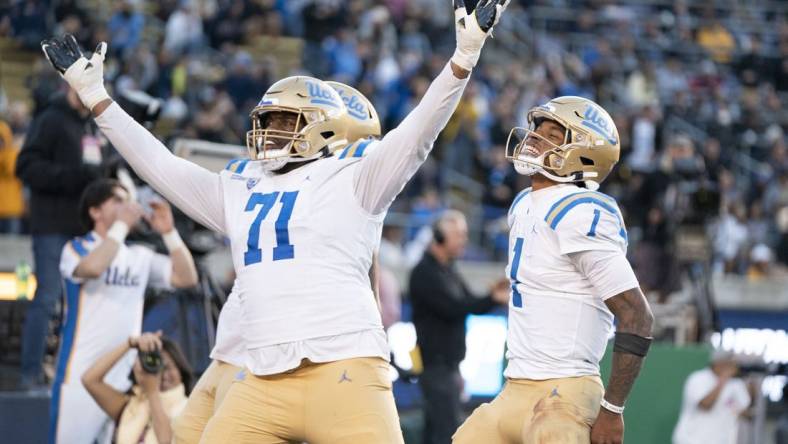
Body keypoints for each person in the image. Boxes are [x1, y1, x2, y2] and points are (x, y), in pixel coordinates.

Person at [40, 1, 509, 441]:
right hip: (263, 376)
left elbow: (419, 132)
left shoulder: (356, 176)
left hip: (345, 369)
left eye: (284, 122)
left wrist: (462, 59)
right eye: (267, 120)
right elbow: (160, 166)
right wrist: (98, 99)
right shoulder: (242, 185)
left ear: (321, 126)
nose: (268, 132)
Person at [171, 82, 384, 443]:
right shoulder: (274, 181)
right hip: (234, 348)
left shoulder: (345, 194)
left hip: (267, 357)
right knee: (184, 433)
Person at [453, 96, 654, 444]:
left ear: (585, 153)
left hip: (566, 390)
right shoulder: (523, 204)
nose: (533, 138)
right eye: (536, 129)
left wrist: (613, 410)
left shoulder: (581, 210)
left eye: (552, 134)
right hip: (514, 386)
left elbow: (637, 314)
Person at [50, 178, 198, 444]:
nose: (128, 205)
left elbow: (187, 278)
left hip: (127, 377)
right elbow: (92, 269)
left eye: (129, 200)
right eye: (118, 200)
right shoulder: (76, 248)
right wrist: (121, 225)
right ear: (95, 211)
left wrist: (168, 233)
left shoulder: (139, 255)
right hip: (79, 374)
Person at [15, 86, 103, 389]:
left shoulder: (90, 124)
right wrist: (72, 177)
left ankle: (67, 374)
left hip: (82, 228)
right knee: (48, 298)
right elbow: (24, 166)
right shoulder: (51, 119)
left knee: (76, 303)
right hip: (52, 225)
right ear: (68, 86)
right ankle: (30, 376)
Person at [409, 209, 509, 444]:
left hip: (448, 369)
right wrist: (492, 298)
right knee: (448, 435)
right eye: (459, 234)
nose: (464, 240)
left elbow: (469, 304)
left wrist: (492, 296)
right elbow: (455, 307)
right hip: (436, 368)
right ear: (440, 237)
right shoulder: (424, 272)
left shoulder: (448, 270)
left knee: (435, 434)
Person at [82, 332, 193, 444]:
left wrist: (152, 392)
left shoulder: (190, 409)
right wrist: (130, 344)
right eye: (154, 367)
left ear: (180, 370)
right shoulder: (131, 407)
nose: (161, 375)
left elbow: (166, 441)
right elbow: (90, 380)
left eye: (167, 367)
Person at [672, 351, 751, 444]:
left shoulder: (736, 384)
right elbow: (705, 405)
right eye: (727, 363)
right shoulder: (698, 378)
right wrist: (723, 379)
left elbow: (745, 412)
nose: (730, 366)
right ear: (717, 363)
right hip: (692, 440)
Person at [0, 119, 24, 234]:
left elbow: (12, 171)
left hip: (11, 209)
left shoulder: (12, 154)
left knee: (13, 247)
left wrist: (7, 152)